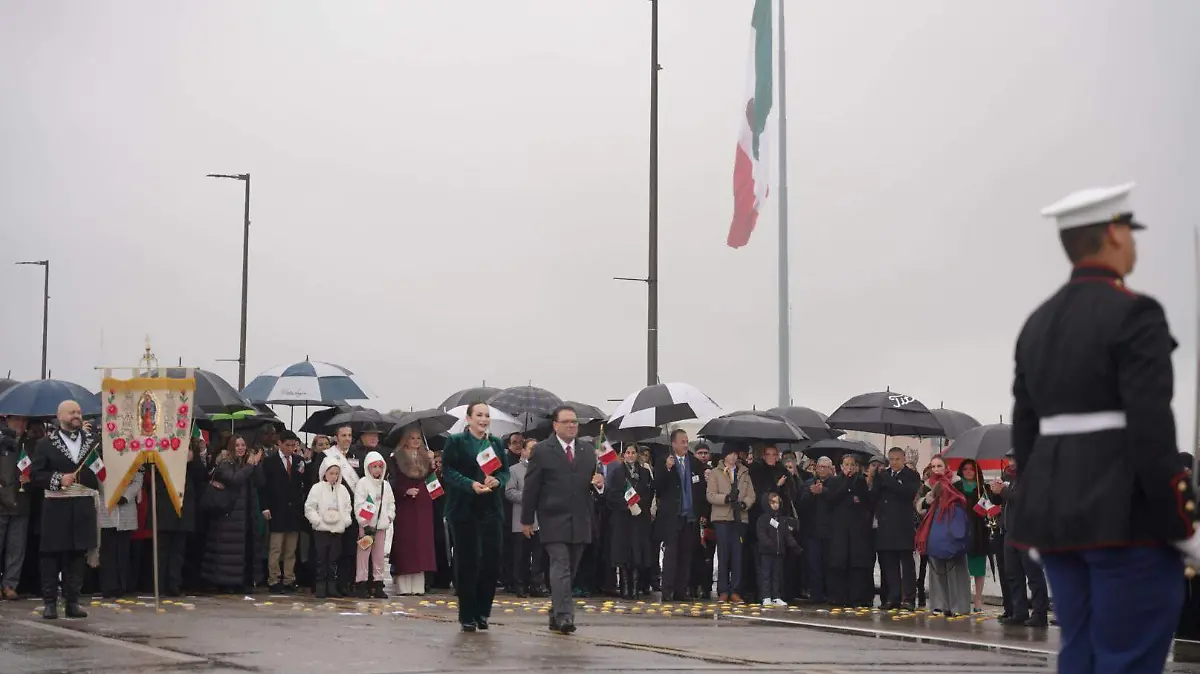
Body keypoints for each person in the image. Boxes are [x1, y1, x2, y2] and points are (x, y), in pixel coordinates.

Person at [1011, 183, 1196, 673]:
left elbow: (1026, 435)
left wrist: (1036, 513)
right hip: (1127, 521)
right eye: (1130, 232)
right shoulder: (1137, 313)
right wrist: (1184, 522)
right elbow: (1152, 431)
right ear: (1114, 233)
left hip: (1057, 525)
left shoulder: (1037, 323)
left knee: (1080, 653)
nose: (1133, 243)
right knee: (1127, 658)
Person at [522, 405, 602, 634]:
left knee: (571, 569)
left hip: (581, 519)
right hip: (553, 518)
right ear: (555, 425)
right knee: (561, 565)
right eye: (566, 422)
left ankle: (556, 611)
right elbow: (531, 487)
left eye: (574, 422)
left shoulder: (587, 451)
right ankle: (565, 616)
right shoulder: (542, 451)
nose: (572, 425)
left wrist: (599, 484)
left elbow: (592, 486)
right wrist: (527, 519)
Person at [441, 403, 509, 632]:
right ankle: (467, 614)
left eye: (486, 416)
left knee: (491, 562)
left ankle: (483, 612)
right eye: (479, 415)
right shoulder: (456, 441)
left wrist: (497, 481)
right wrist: (470, 484)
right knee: (469, 562)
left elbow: (505, 472)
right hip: (464, 509)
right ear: (469, 418)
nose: (483, 419)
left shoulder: (496, 443)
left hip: (491, 509)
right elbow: (448, 471)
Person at [29, 401, 100, 619]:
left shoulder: (92, 442)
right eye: (71, 412)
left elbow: (99, 470)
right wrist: (58, 479)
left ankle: (72, 602)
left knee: (77, 556)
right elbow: (35, 475)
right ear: (59, 416)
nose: (76, 415)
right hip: (56, 506)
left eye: (78, 412)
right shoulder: (45, 443)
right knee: (51, 556)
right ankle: (50, 602)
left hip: (82, 506)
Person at [654, 429, 708, 602]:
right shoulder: (663, 461)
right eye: (682, 441)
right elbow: (658, 488)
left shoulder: (694, 462)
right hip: (672, 516)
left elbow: (700, 489)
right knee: (671, 555)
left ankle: (681, 590)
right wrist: (667, 469)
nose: (685, 445)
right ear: (674, 443)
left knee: (686, 555)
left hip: (690, 516)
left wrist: (702, 512)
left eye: (687, 441)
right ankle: (667, 590)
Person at [916, 456, 971, 617]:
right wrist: (931, 496)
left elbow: (963, 501)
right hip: (935, 527)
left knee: (956, 567)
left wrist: (947, 492)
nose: (936, 469)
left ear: (946, 466)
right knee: (936, 565)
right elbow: (920, 507)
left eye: (939, 466)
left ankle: (959, 605)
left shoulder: (956, 481)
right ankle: (940, 605)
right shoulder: (928, 484)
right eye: (933, 466)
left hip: (953, 526)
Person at [257, 430, 307, 594]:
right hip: (277, 509)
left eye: (293, 445)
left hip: (294, 511)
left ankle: (289, 578)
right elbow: (264, 487)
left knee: (291, 549)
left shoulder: (299, 461)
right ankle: (274, 579)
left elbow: (302, 484)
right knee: (276, 548)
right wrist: (265, 507)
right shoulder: (270, 462)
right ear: (280, 443)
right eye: (287, 445)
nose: (290, 449)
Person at [871, 447, 920, 611]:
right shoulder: (883, 475)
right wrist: (876, 478)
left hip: (903, 525)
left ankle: (909, 598)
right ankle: (893, 597)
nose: (894, 462)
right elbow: (874, 496)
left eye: (897, 459)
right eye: (891, 459)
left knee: (906, 565)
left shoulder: (911, 475)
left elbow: (907, 493)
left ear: (904, 459)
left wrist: (889, 480)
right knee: (889, 564)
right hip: (886, 525)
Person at [389, 428, 436, 596]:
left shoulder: (425, 457)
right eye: (412, 438)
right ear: (405, 440)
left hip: (423, 503)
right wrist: (405, 491)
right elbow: (393, 481)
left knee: (422, 543)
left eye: (418, 438)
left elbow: (431, 480)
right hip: (406, 504)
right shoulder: (396, 458)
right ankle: (403, 585)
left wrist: (432, 464)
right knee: (406, 542)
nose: (416, 441)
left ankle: (418, 585)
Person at [605, 442, 655, 600]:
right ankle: (625, 587)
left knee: (637, 552)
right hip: (622, 519)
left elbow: (649, 492)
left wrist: (639, 503)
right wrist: (626, 504)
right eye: (628, 452)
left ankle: (635, 587)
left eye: (633, 452)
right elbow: (611, 495)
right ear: (623, 455)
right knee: (623, 553)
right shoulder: (617, 472)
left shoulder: (644, 472)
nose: (631, 455)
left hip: (639, 518)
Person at [706, 449, 755, 602]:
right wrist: (726, 498)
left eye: (735, 454)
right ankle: (723, 590)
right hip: (722, 518)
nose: (733, 457)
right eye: (730, 454)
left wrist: (743, 504)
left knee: (737, 555)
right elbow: (710, 495)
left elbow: (751, 495)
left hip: (740, 518)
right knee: (723, 555)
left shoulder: (744, 473)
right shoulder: (716, 472)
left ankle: (736, 590)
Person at [305, 456, 352, 599]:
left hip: (337, 530)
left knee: (333, 559)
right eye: (331, 473)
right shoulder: (317, 488)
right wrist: (317, 521)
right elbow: (310, 507)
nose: (334, 476)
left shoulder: (342, 490)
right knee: (321, 559)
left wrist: (345, 521)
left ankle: (332, 586)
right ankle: (320, 586)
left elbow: (347, 507)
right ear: (324, 473)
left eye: (337, 473)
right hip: (321, 530)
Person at [354, 451, 395, 598]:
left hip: (381, 526)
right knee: (363, 556)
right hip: (366, 527)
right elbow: (358, 504)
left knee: (379, 556)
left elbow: (391, 503)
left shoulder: (385, 485)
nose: (377, 470)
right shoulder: (363, 483)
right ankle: (361, 583)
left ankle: (378, 584)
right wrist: (364, 522)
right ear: (368, 467)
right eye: (374, 467)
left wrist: (389, 517)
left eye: (380, 467)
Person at [505, 438, 543, 598]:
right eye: (531, 448)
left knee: (539, 555)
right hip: (520, 519)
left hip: (540, 519)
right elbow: (509, 491)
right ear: (523, 451)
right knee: (521, 555)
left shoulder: (543, 469)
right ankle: (520, 585)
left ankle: (536, 585)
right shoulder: (514, 470)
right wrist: (529, 497)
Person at [0, 414, 33, 599]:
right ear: (8, 420)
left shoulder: (30, 444)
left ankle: (10, 584)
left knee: (16, 547)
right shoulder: (2, 441)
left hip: (21, 501)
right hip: (2, 500)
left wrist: (31, 478)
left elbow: (39, 469)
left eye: (24, 420)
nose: (20, 423)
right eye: (16, 419)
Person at [955, 458, 991, 613]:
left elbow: (991, 508)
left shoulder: (983, 488)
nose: (968, 472)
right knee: (961, 566)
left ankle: (978, 599)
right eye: (965, 469)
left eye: (971, 469)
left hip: (979, 531)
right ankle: (961, 598)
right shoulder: (956, 487)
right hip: (960, 528)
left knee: (978, 567)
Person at [756, 492, 802, 607]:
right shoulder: (763, 519)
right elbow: (761, 534)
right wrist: (770, 544)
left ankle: (776, 596)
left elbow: (787, 535)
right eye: (772, 502)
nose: (775, 505)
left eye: (777, 502)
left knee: (777, 575)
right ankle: (766, 596)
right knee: (766, 575)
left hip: (779, 552)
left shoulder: (782, 520)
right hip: (766, 552)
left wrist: (795, 546)